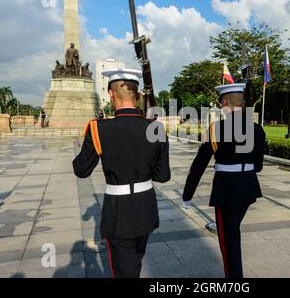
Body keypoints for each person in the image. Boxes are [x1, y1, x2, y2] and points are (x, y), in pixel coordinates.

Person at [73, 69, 171, 278]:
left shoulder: (98, 128)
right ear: (136, 95)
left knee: (123, 269)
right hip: (146, 206)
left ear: (110, 93)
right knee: (134, 262)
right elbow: (163, 176)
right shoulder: (156, 128)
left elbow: (81, 170)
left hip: (119, 210)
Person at [182, 83, 266, 278]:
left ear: (226, 102)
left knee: (229, 242)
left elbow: (199, 165)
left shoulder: (217, 128)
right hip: (248, 187)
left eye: (222, 102)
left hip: (227, 190)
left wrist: (187, 195)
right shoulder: (257, 129)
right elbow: (259, 166)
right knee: (232, 231)